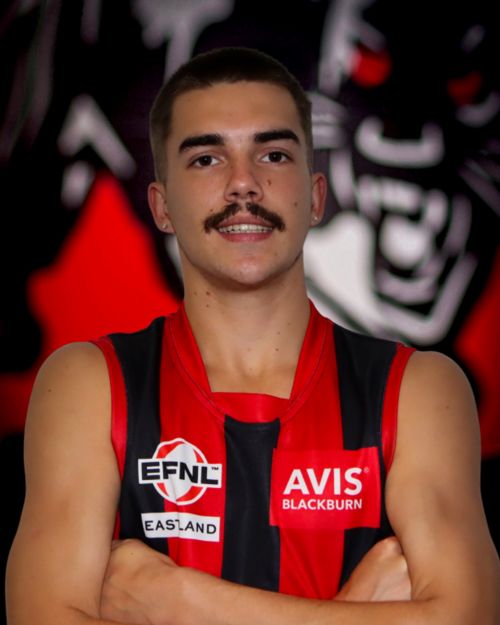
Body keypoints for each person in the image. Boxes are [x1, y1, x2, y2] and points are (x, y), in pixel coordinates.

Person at [6, 47, 499, 625]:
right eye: (206, 159)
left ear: (316, 197)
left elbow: (468, 617)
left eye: (272, 155)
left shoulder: (418, 390)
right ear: (161, 207)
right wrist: (353, 610)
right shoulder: (87, 385)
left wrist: (180, 601)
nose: (244, 184)